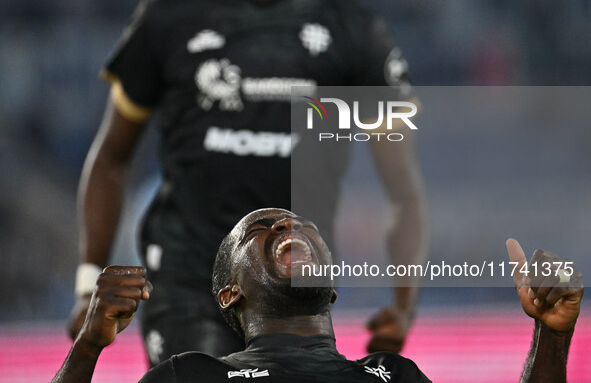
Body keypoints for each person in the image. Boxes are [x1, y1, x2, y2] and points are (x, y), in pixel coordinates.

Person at [68, 0, 427, 365]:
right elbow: (110, 158)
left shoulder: (356, 29)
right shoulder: (166, 17)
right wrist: (85, 285)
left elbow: (402, 187)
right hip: (187, 274)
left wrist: (404, 304)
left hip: (294, 283)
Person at [54, 208, 583, 383]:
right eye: (259, 228)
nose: (286, 221)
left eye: (301, 224)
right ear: (228, 292)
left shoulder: (393, 375)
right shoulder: (191, 377)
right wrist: (87, 347)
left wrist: (552, 335)